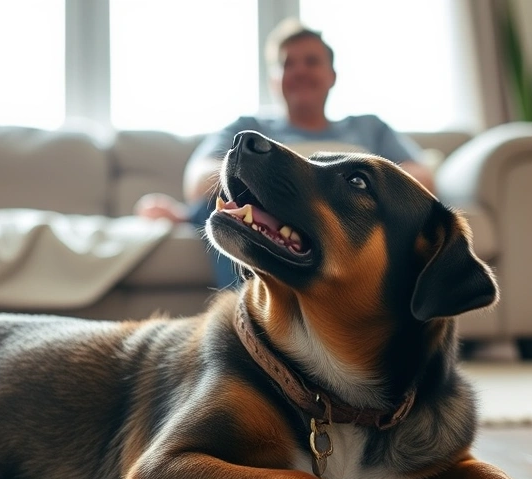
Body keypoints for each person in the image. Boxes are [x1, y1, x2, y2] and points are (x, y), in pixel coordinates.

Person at [134, 18, 436, 289]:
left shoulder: (369, 128)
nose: (299, 70)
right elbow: (199, 181)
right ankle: (254, 326)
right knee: (212, 209)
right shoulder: (247, 128)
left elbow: (421, 181)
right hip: (266, 212)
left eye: (311, 61)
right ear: (273, 80)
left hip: (343, 222)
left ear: (332, 75)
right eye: (287, 64)